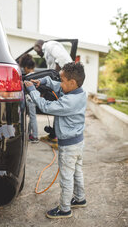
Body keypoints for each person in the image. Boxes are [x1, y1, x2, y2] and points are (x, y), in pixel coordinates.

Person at [24, 62, 87, 219]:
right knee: (77, 171)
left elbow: (45, 106)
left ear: (72, 83)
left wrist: (32, 90)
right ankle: (80, 198)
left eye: (62, 80)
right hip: (78, 142)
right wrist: (43, 81)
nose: (60, 83)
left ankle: (64, 209)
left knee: (66, 177)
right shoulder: (78, 93)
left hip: (68, 147)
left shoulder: (69, 102)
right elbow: (58, 86)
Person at [34, 40, 73, 148]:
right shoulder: (47, 51)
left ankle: (60, 139)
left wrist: (55, 75)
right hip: (61, 80)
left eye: (36, 50)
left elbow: (62, 59)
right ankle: (53, 136)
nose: (37, 54)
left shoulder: (51, 45)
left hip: (66, 80)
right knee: (58, 109)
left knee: (62, 109)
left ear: (38, 46)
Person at [19, 54, 39, 143]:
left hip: (30, 99)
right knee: (32, 116)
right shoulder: (37, 75)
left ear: (26, 67)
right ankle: (30, 134)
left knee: (32, 117)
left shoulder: (28, 77)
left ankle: (34, 136)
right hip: (36, 98)